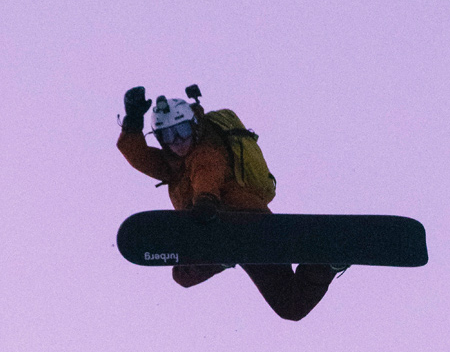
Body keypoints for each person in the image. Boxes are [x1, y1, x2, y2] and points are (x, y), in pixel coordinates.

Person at [117, 87, 344, 321]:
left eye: (182, 130)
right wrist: (133, 119)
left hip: (233, 219)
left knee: (182, 274)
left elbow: (207, 172)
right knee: (291, 306)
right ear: (160, 139)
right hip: (243, 229)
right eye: (167, 135)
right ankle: (327, 264)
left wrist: (206, 201)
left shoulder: (206, 148)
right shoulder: (172, 164)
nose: (178, 141)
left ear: (194, 126)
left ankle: (222, 254)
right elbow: (137, 155)